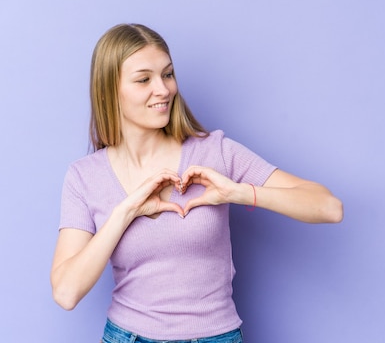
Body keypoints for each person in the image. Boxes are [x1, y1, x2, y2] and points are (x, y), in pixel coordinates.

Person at [50, 23, 343, 343]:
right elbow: (66, 292)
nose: (163, 89)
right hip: (128, 336)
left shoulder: (214, 151)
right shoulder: (84, 176)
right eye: (144, 79)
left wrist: (240, 192)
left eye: (168, 74)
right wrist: (127, 210)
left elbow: (329, 207)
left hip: (216, 336)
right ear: (109, 90)